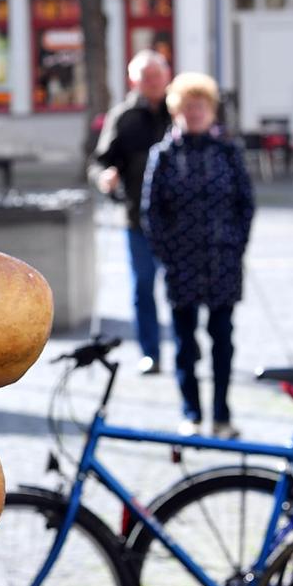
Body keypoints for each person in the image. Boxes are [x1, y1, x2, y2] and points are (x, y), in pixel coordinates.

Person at [142, 72, 255, 437]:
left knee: (223, 338)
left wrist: (236, 244)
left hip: (222, 260)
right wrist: (167, 253)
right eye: (188, 107)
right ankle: (191, 411)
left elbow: (245, 203)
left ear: (211, 111)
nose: (195, 114)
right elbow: (151, 210)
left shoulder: (228, 152)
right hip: (182, 263)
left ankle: (222, 414)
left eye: (201, 107)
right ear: (176, 111)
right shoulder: (163, 156)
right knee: (185, 343)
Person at [92, 50, 173, 374]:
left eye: (157, 76)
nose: (153, 83)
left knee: (182, 289)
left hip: (179, 219)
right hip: (137, 218)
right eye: (146, 78)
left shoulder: (181, 110)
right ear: (134, 81)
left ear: (167, 76)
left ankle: (186, 349)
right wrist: (104, 176)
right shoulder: (123, 117)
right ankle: (150, 352)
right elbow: (100, 161)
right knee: (143, 287)